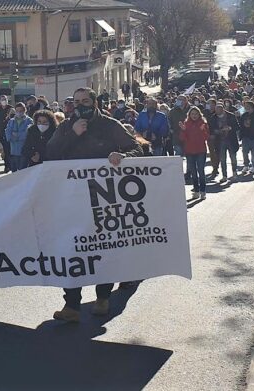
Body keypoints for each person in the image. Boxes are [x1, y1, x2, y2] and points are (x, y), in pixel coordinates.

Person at [47, 87, 143, 322]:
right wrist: (73, 134)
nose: (81, 105)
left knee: (103, 247)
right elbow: (50, 153)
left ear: (95, 103)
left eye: (86, 101)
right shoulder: (67, 126)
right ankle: (71, 305)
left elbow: (137, 148)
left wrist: (123, 157)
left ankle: (103, 297)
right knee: (73, 250)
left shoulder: (110, 125)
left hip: (104, 199)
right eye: (77, 101)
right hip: (72, 199)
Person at [179, 107, 210, 200]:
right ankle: (196, 191)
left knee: (201, 171)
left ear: (199, 114)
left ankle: (203, 191)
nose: (194, 116)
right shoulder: (186, 124)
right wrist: (184, 130)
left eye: (196, 114)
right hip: (189, 151)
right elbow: (182, 138)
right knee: (193, 172)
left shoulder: (203, 123)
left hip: (201, 150)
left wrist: (202, 130)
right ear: (189, 115)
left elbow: (206, 137)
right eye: (192, 114)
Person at [209, 103, 240, 182]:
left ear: (223, 109)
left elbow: (237, 127)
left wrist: (230, 128)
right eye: (216, 109)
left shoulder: (231, 116)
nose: (217, 111)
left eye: (219, 109)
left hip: (231, 140)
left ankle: (234, 172)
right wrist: (215, 132)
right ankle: (224, 175)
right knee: (222, 159)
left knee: (233, 158)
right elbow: (211, 129)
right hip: (220, 141)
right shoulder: (213, 118)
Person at [5, 103, 33, 172]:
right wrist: (18, 135)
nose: (19, 112)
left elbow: (27, 134)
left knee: (23, 172)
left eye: (21, 110)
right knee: (14, 173)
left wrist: (16, 135)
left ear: (25, 110)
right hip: (13, 151)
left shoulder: (29, 121)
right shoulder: (11, 121)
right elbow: (8, 134)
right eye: (17, 110)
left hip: (24, 151)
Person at [0, 96, 14, 172]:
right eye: (2, 100)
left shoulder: (10, 108)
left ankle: (10, 165)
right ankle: (6, 165)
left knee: (9, 150)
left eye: (5, 99)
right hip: (0, 132)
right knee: (4, 150)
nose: (4, 101)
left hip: (9, 132)